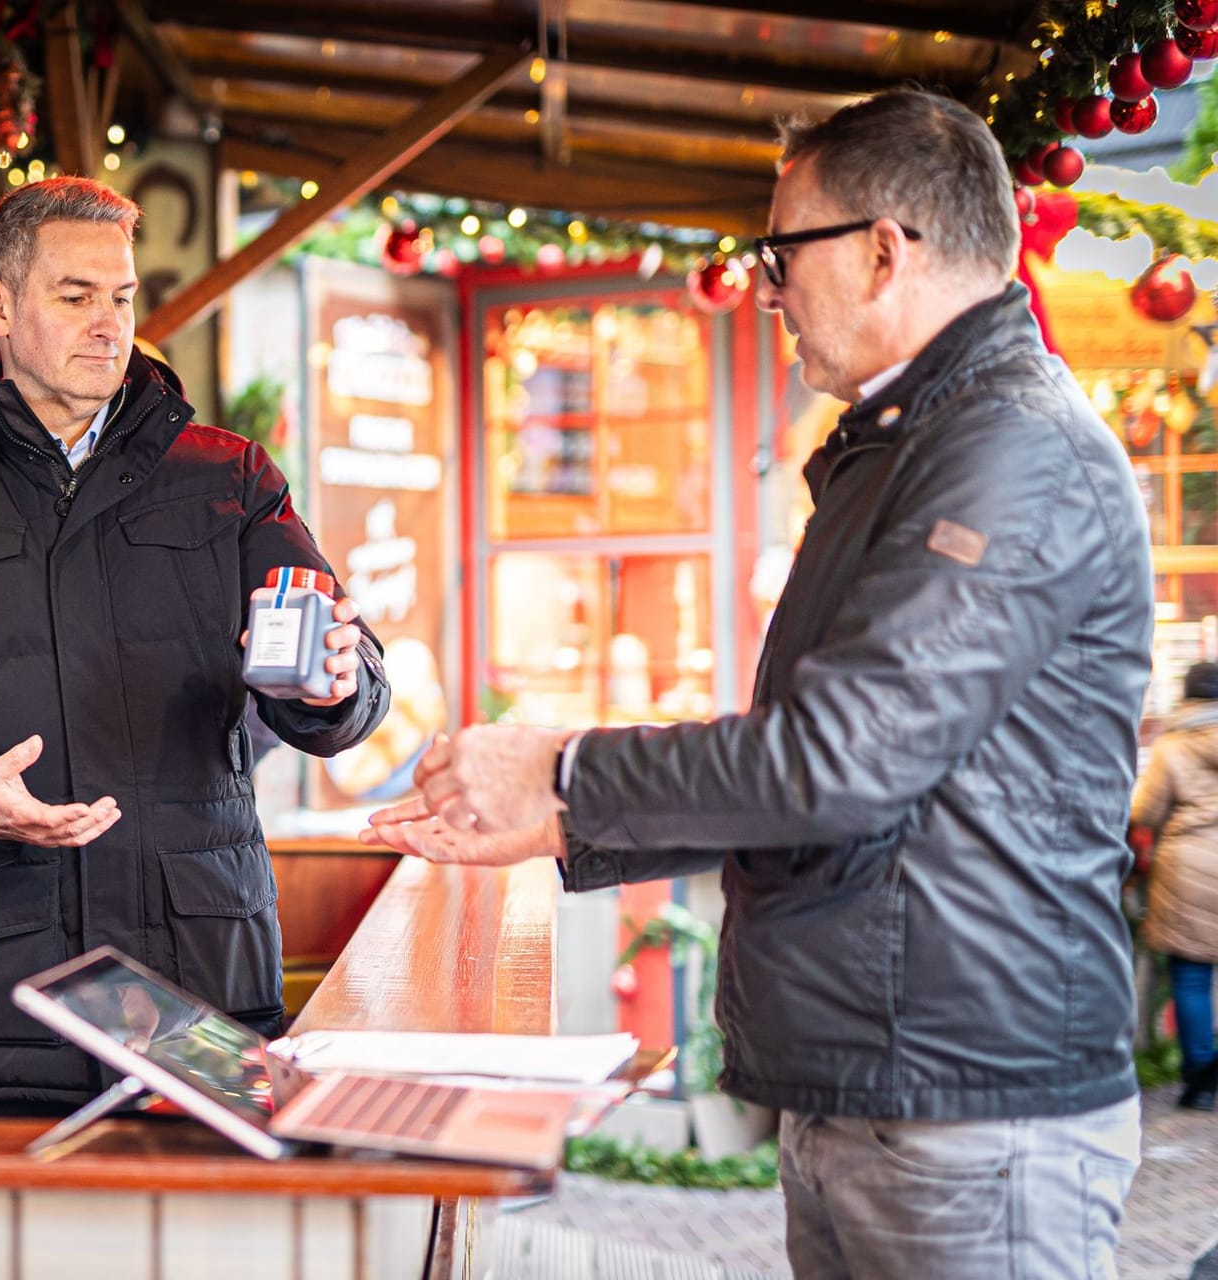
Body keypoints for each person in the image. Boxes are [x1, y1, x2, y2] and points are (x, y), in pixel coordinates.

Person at [366, 89, 1151, 1278]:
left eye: (783, 251)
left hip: (969, 1112)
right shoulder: (902, 451)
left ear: (887, 250)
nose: (769, 286)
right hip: (883, 1090)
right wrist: (563, 818)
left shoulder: (1013, 451)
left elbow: (843, 758)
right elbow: (809, 767)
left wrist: (564, 765)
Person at [0, 177, 388, 1113]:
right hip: (6, 1005)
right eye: (75, 297)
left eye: (121, 298)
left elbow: (347, 674)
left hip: (201, 986)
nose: (108, 324)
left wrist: (333, 688)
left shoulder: (228, 478)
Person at [1130, 661, 1218, 1111]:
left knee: (1191, 976)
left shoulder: (1172, 745)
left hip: (1187, 867)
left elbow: (1144, 811)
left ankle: (1202, 1080)